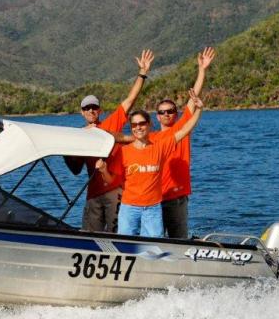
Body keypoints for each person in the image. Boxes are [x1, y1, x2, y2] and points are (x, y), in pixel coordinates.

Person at [66, 49, 154, 233]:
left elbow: (130, 99)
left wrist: (142, 73)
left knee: (118, 234)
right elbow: (75, 170)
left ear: (100, 110)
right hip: (93, 195)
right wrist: (66, 151)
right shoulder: (79, 136)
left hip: (115, 190)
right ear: (82, 112)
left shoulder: (110, 123)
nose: (91, 111)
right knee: (90, 236)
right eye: (87, 108)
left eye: (94, 108)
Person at [104, 89, 204, 238]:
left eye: (142, 123)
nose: (138, 127)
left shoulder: (160, 146)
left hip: (152, 208)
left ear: (149, 124)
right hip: (129, 208)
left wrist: (199, 109)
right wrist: (102, 170)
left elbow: (185, 129)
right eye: (134, 125)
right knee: (124, 243)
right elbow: (110, 179)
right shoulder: (124, 152)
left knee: (154, 247)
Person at [153, 47, 215, 238]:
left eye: (170, 110)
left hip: (177, 198)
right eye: (162, 112)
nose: (167, 114)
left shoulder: (182, 128)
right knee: (153, 242)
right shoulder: (151, 138)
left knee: (178, 241)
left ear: (176, 113)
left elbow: (193, 98)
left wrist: (202, 70)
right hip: (154, 199)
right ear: (157, 117)